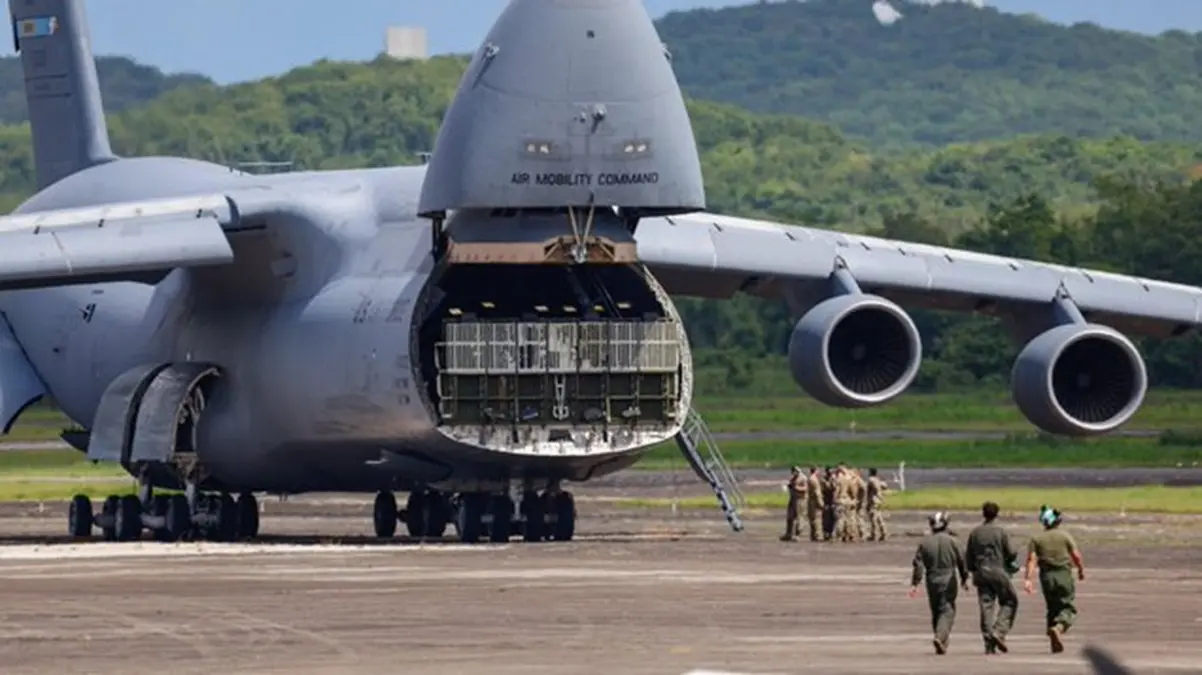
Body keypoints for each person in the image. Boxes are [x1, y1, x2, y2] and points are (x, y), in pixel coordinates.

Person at [1024, 505, 1085, 654]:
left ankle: (1053, 638)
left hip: (1046, 577)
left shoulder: (1036, 539)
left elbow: (1031, 560)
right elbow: (1076, 555)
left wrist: (1028, 579)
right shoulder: (1064, 536)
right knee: (1067, 608)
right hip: (1063, 574)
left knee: (1052, 607)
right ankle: (1058, 628)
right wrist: (1081, 570)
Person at [909, 511, 969, 655]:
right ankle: (940, 637)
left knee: (936, 610)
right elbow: (962, 562)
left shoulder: (924, 543)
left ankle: (941, 640)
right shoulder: (954, 541)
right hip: (948, 578)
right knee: (947, 610)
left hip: (931, 579)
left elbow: (918, 565)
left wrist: (915, 583)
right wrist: (964, 578)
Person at [966, 501, 1019, 654]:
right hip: (998, 571)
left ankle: (988, 642)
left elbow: (969, 557)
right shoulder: (1001, 531)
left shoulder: (975, 532)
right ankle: (999, 631)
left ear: (983, 513)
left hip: (981, 572)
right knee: (1010, 601)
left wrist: (972, 570)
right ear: (997, 514)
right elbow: (1011, 552)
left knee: (986, 607)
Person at [781, 466, 807, 542]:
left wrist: (796, 488)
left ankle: (797, 534)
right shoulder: (794, 478)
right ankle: (788, 534)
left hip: (800, 500)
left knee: (799, 518)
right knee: (790, 516)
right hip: (793, 499)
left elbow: (805, 488)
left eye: (794, 471)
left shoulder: (803, 478)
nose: (793, 473)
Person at [865, 468, 889, 541]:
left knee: (873, 519)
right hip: (879, 500)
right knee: (879, 518)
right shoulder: (878, 479)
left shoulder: (871, 480)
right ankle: (884, 533)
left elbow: (874, 488)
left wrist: (876, 491)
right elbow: (885, 486)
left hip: (873, 500)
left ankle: (874, 535)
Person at [805, 466, 824, 542]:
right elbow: (817, 493)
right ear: (816, 471)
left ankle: (813, 535)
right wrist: (821, 503)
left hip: (810, 501)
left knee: (812, 518)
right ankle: (818, 535)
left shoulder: (809, 479)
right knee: (817, 519)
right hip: (815, 501)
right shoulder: (814, 480)